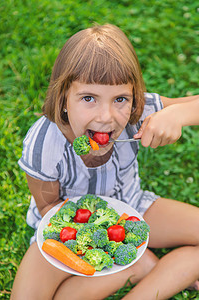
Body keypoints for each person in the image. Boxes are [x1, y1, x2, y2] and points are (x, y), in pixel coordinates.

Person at [11, 24, 199, 300]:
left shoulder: (139, 113)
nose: (106, 116)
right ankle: (142, 266)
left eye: (120, 99)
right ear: (63, 99)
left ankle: (141, 284)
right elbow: (49, 208)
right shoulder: (44, 143)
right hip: (64, 229)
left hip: (134, 207)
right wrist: (101, 245)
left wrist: (179, 115)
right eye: (89, 98)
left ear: (134, 98)